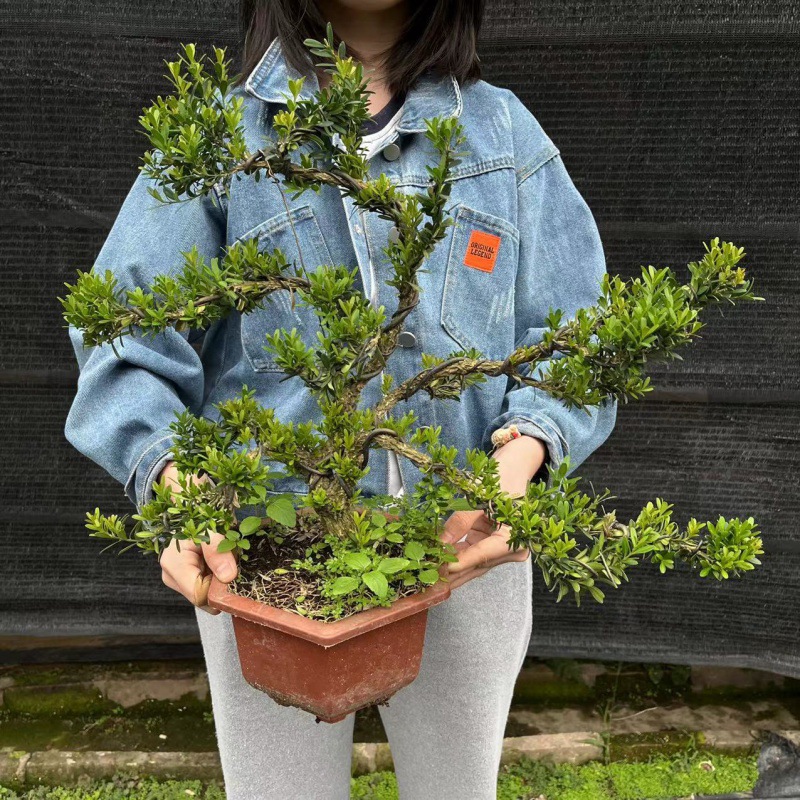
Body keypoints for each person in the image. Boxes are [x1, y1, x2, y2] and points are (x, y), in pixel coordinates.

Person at [64, 1, 617, 797]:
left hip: (466, 541)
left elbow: (582, 333)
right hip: (264, 552)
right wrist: (178, 488)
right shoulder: (223, 141)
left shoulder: (502, 138)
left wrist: (525, 455)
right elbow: (123, 337)